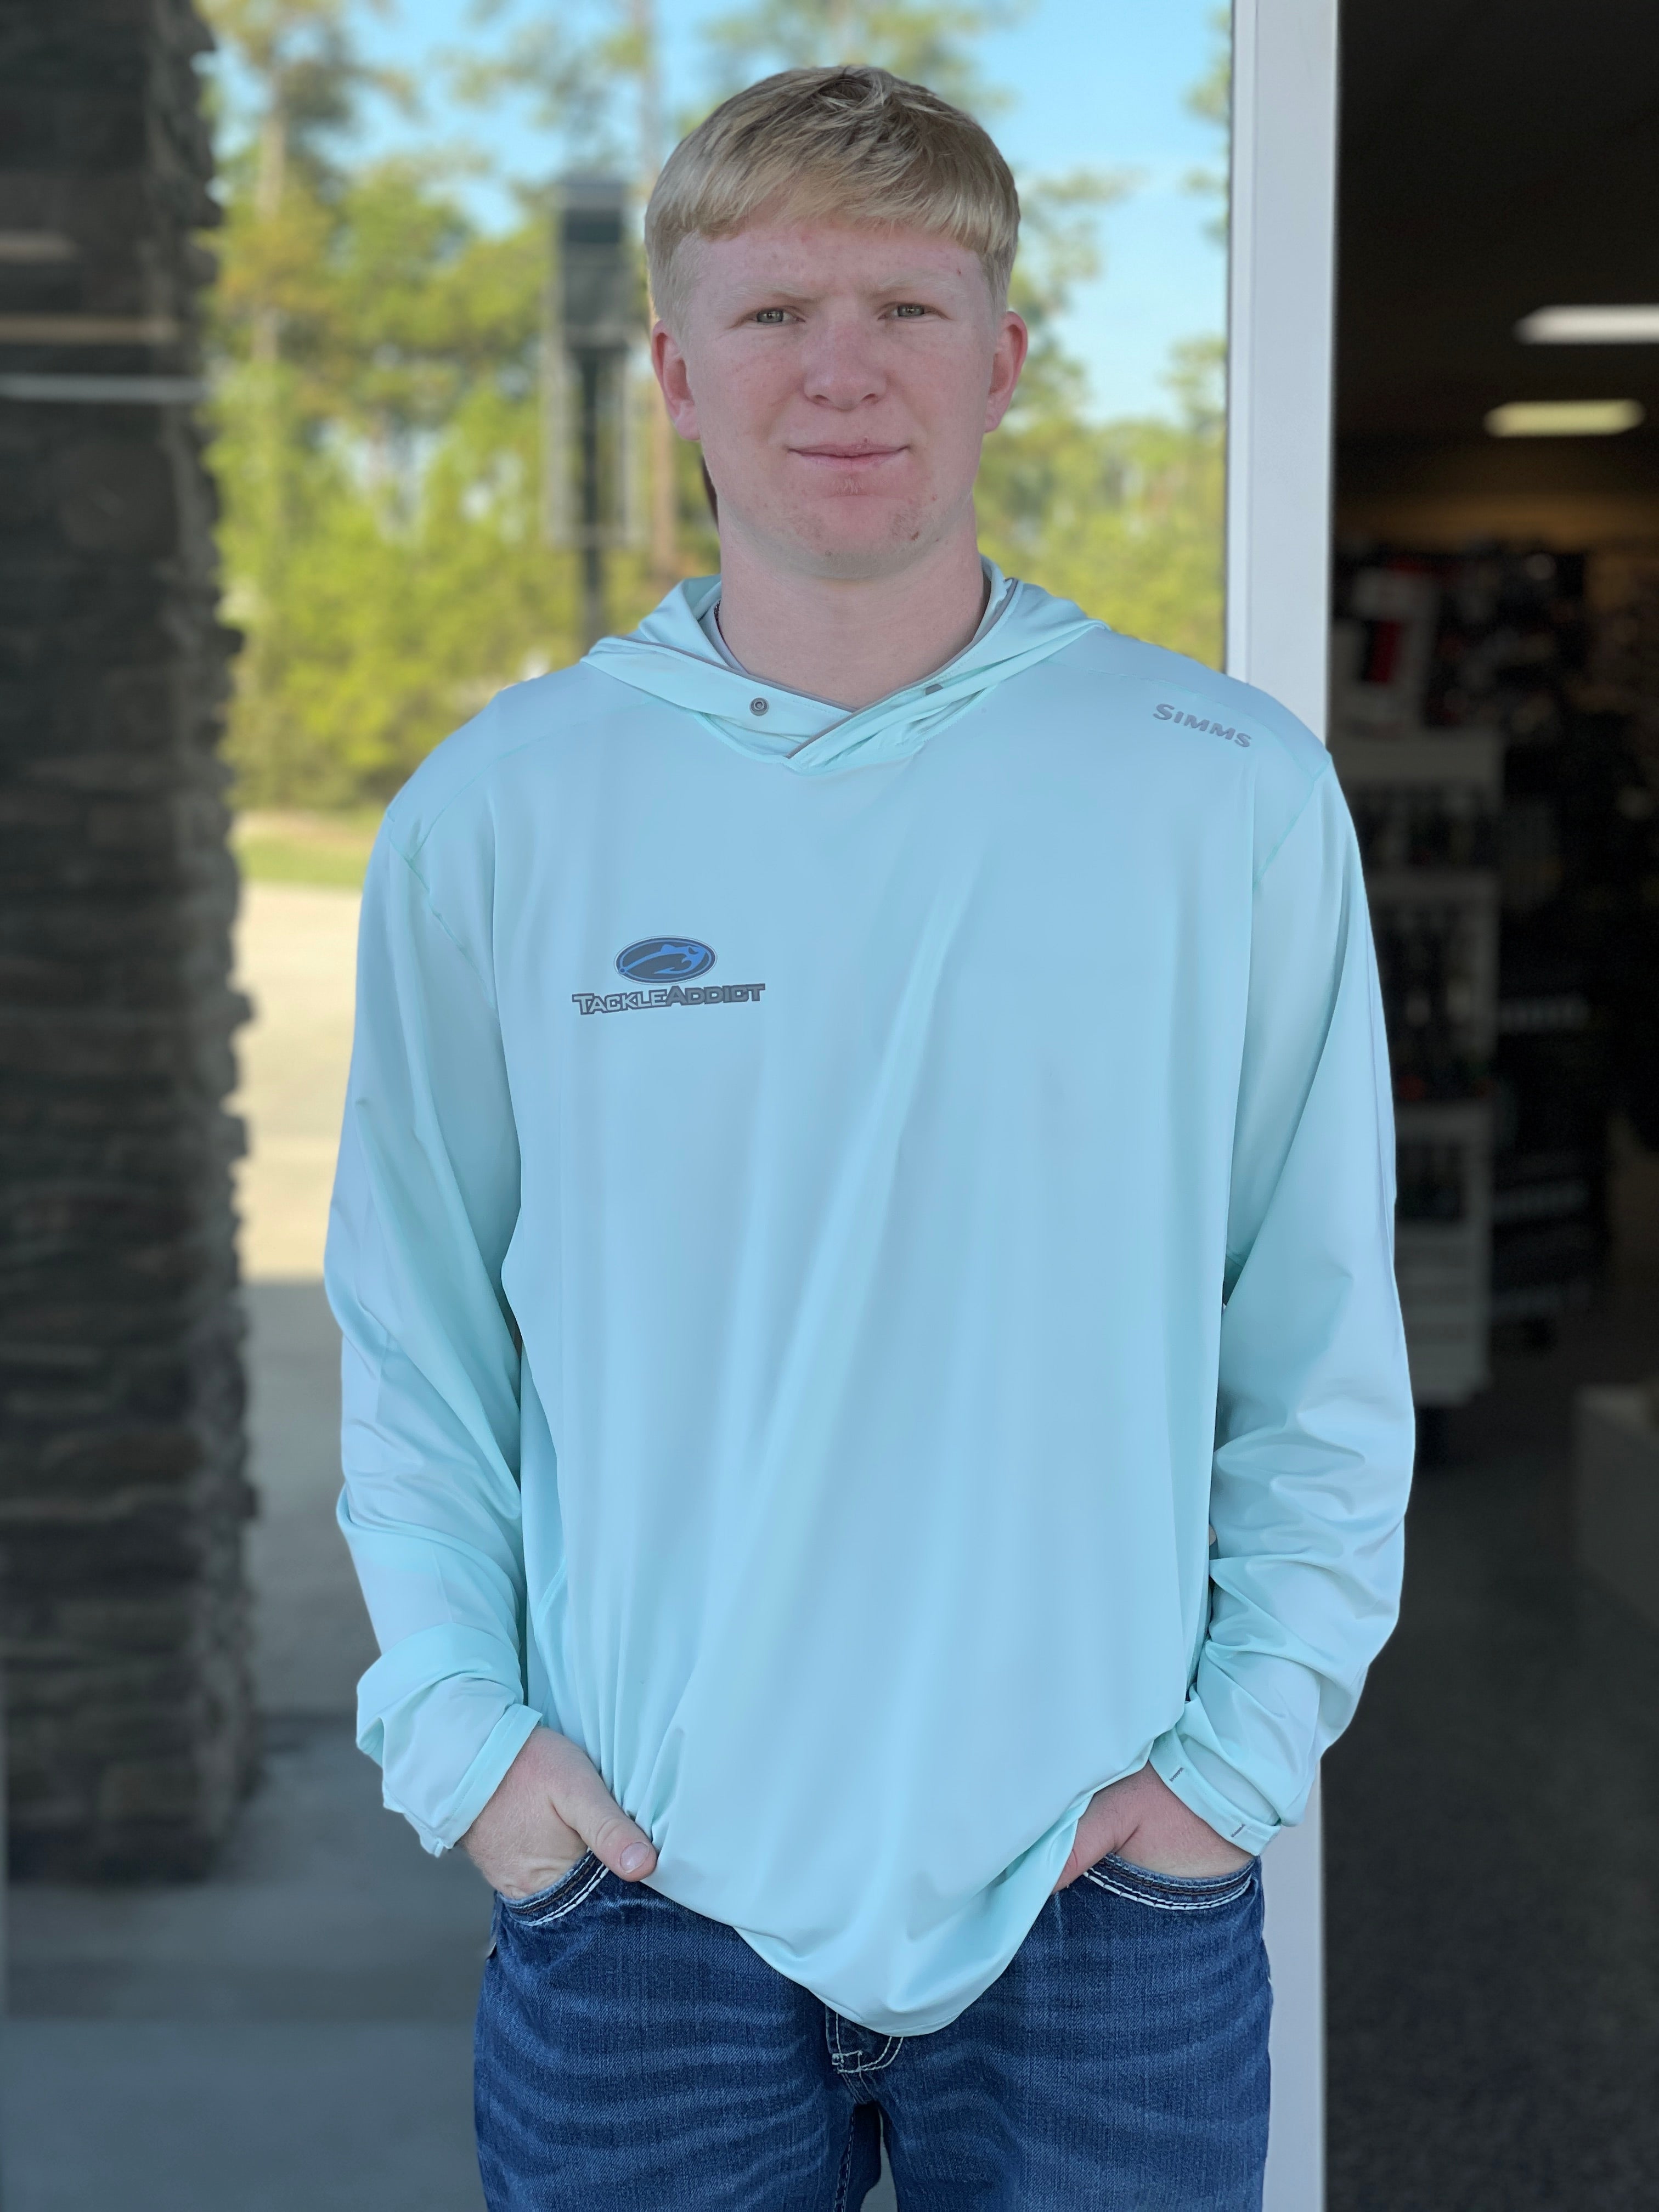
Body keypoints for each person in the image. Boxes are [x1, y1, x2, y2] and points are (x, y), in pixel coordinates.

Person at [326, 64, 1414, 2212]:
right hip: (643, 1893)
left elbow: (1312, 1337)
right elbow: (419, 1335)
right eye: (772, 313)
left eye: (907, 310)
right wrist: (470, 1748)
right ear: (675, 370)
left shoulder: (1220, 790)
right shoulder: (505, 811)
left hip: (1104, 1895)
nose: (842, 373)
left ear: (1002, 358)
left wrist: (1231, 1767)